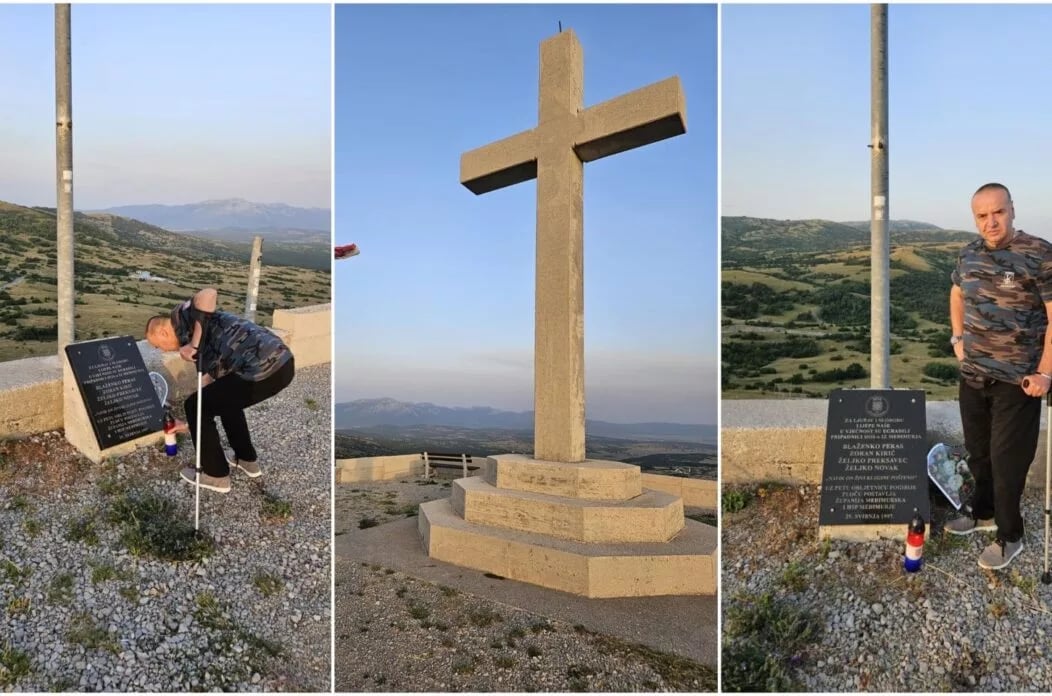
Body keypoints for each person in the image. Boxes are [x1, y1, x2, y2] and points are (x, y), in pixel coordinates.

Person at [946, 182, 1052, 569]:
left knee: (1008, 465)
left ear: (1012, 209)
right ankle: (983, 513)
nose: (991, 222)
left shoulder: (1039, 254)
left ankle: (1010, 536)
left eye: (998, 212)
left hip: (1017, 382)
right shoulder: (968, 254)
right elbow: (957, 293)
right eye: (982, 215)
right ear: (975, 218)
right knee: (979, 455)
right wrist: (958, 338)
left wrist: (1045, 372)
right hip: (973, 375)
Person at [144, 288, 295, 493]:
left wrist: (195, 345)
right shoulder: (192, 337)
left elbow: (208, 294)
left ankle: (216, 475)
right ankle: (246, 459)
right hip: (281, 365)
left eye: (157, 345)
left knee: (194, 404)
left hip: (264, 368)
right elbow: (210, 391)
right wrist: (189, 425)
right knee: (219, 402)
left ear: (162, 332)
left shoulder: (182, 317)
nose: (161, 350)